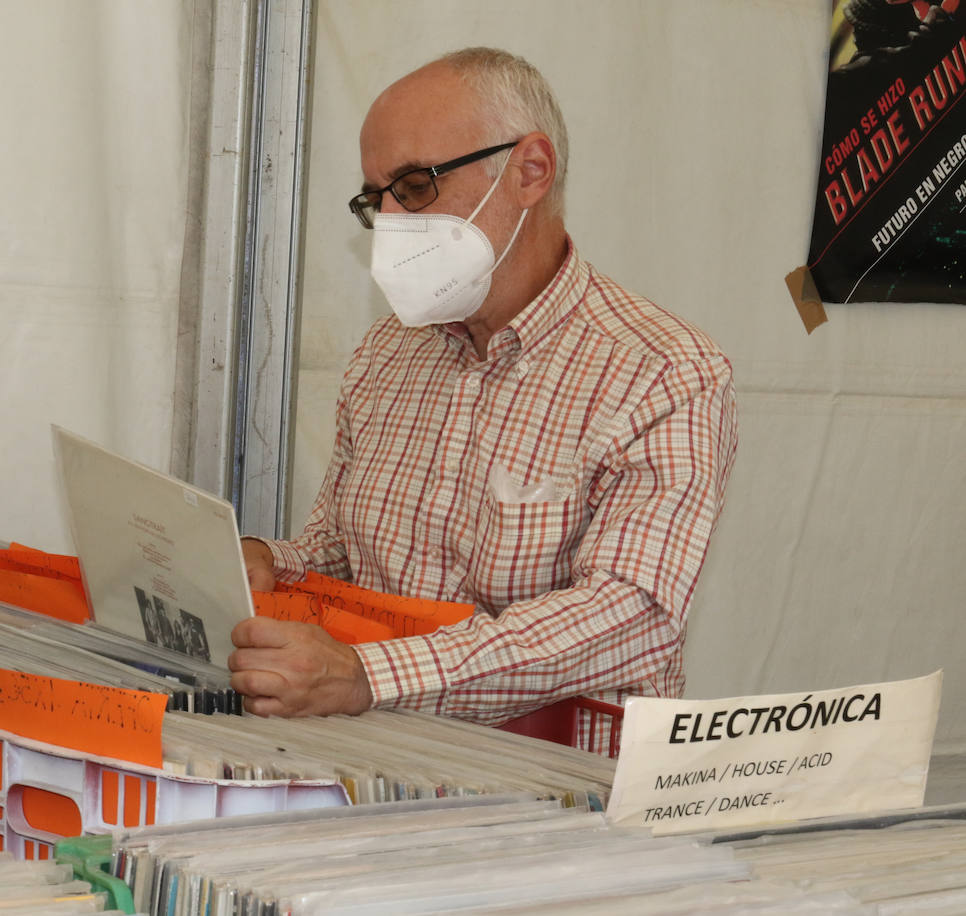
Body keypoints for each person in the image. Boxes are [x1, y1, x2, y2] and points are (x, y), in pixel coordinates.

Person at [227, 48, 738, 741]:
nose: (389, 222)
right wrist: (267, 563)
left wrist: (371, 676)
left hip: (561, 797)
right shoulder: (387, 353)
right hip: (385, 766)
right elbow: (340, 554)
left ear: (530, 171)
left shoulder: (662, 370)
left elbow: (628, 616)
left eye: (412, 186)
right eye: (373, 198)